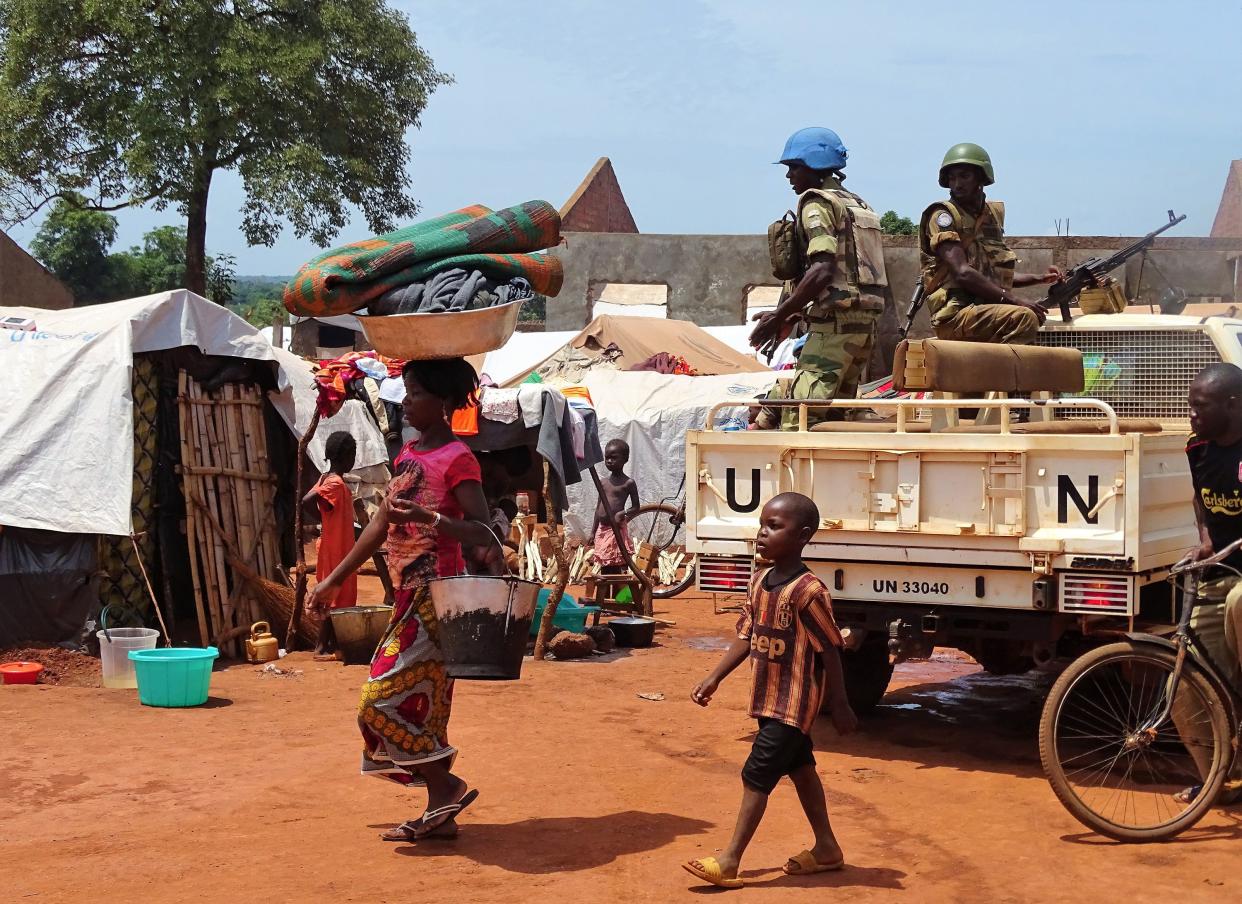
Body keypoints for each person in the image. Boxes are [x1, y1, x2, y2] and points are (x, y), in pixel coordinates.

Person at [306, 358, 500, 843]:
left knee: (378, 702)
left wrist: (432, 520)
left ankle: (446, 784)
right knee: (426, 707)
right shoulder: (409, 453)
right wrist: (331, 580)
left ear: (442, 402)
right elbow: (381, 526)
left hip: (440, 598)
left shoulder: (458, 457)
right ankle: (440, 811)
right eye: (407, 392)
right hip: (408, 597)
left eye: (414, 393)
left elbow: (485, 532)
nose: (406, 402)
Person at [683, 492, 857, 890]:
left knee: (756, 774)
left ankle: (728, 861)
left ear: (803, 536)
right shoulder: (760, 581)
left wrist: (841, 703)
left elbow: (830, 648)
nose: (763, 533)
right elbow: (748, 635)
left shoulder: (808, 591)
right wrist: (714, 677)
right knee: (801, 769)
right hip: (766, 698)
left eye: (775, 527)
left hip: (793, 704)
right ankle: (827, 847)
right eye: (762, 524)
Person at [750, 127, 889, 429]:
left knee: (800, 417)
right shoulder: (858, 205)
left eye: (794, 168)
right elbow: (849, 272)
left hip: (834, 328)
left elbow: (823, 269)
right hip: (864, 324)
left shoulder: (818, 203)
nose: (790, 177)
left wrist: (779, 314)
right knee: (838, 414)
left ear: (813, 164)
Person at [1173, 364, 1242, 802]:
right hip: (1220, 570)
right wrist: (1204, 542)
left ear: (1232, 405)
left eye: (1201, 406)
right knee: (1183, 683)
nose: (1192, 413)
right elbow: (1200, 498)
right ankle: (1218, 780)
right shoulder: (1197, 447)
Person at [918, 143, 1063, 345]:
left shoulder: (991, 217)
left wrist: (1040, 278)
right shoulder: (943, 215)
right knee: (1024, 317)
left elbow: (995, 277)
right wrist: (1015, 301)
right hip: (956, 315)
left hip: (986, 311)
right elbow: (963, 272)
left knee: (1037, 319)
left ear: (981, 177)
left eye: (964, 176)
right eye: (952, 178)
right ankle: (998, 377)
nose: (957, 184)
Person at [303, 431, 358, 658]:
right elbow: (307, 500)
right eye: (353, 454)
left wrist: (323, 519)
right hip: (337, 549)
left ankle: (331, 644)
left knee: (334, 596)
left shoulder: (326, 478)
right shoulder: (334, 483)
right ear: (345, 456)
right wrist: (321, 519)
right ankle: (322, 646)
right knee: (337, 596)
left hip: (334, 545)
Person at [592, 439, 640, 572]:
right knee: (605, 564)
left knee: (617, 562)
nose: (609, 461)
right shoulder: (603, 482)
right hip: (602, 530)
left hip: (616, 529)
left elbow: (636, 507)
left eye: (614, 458)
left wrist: (622, 513)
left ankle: (619, 591)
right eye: (607, 458)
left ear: (625, 459)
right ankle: (606, 592)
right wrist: (592, 531)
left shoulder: (628, 483)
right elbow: (598, 509)